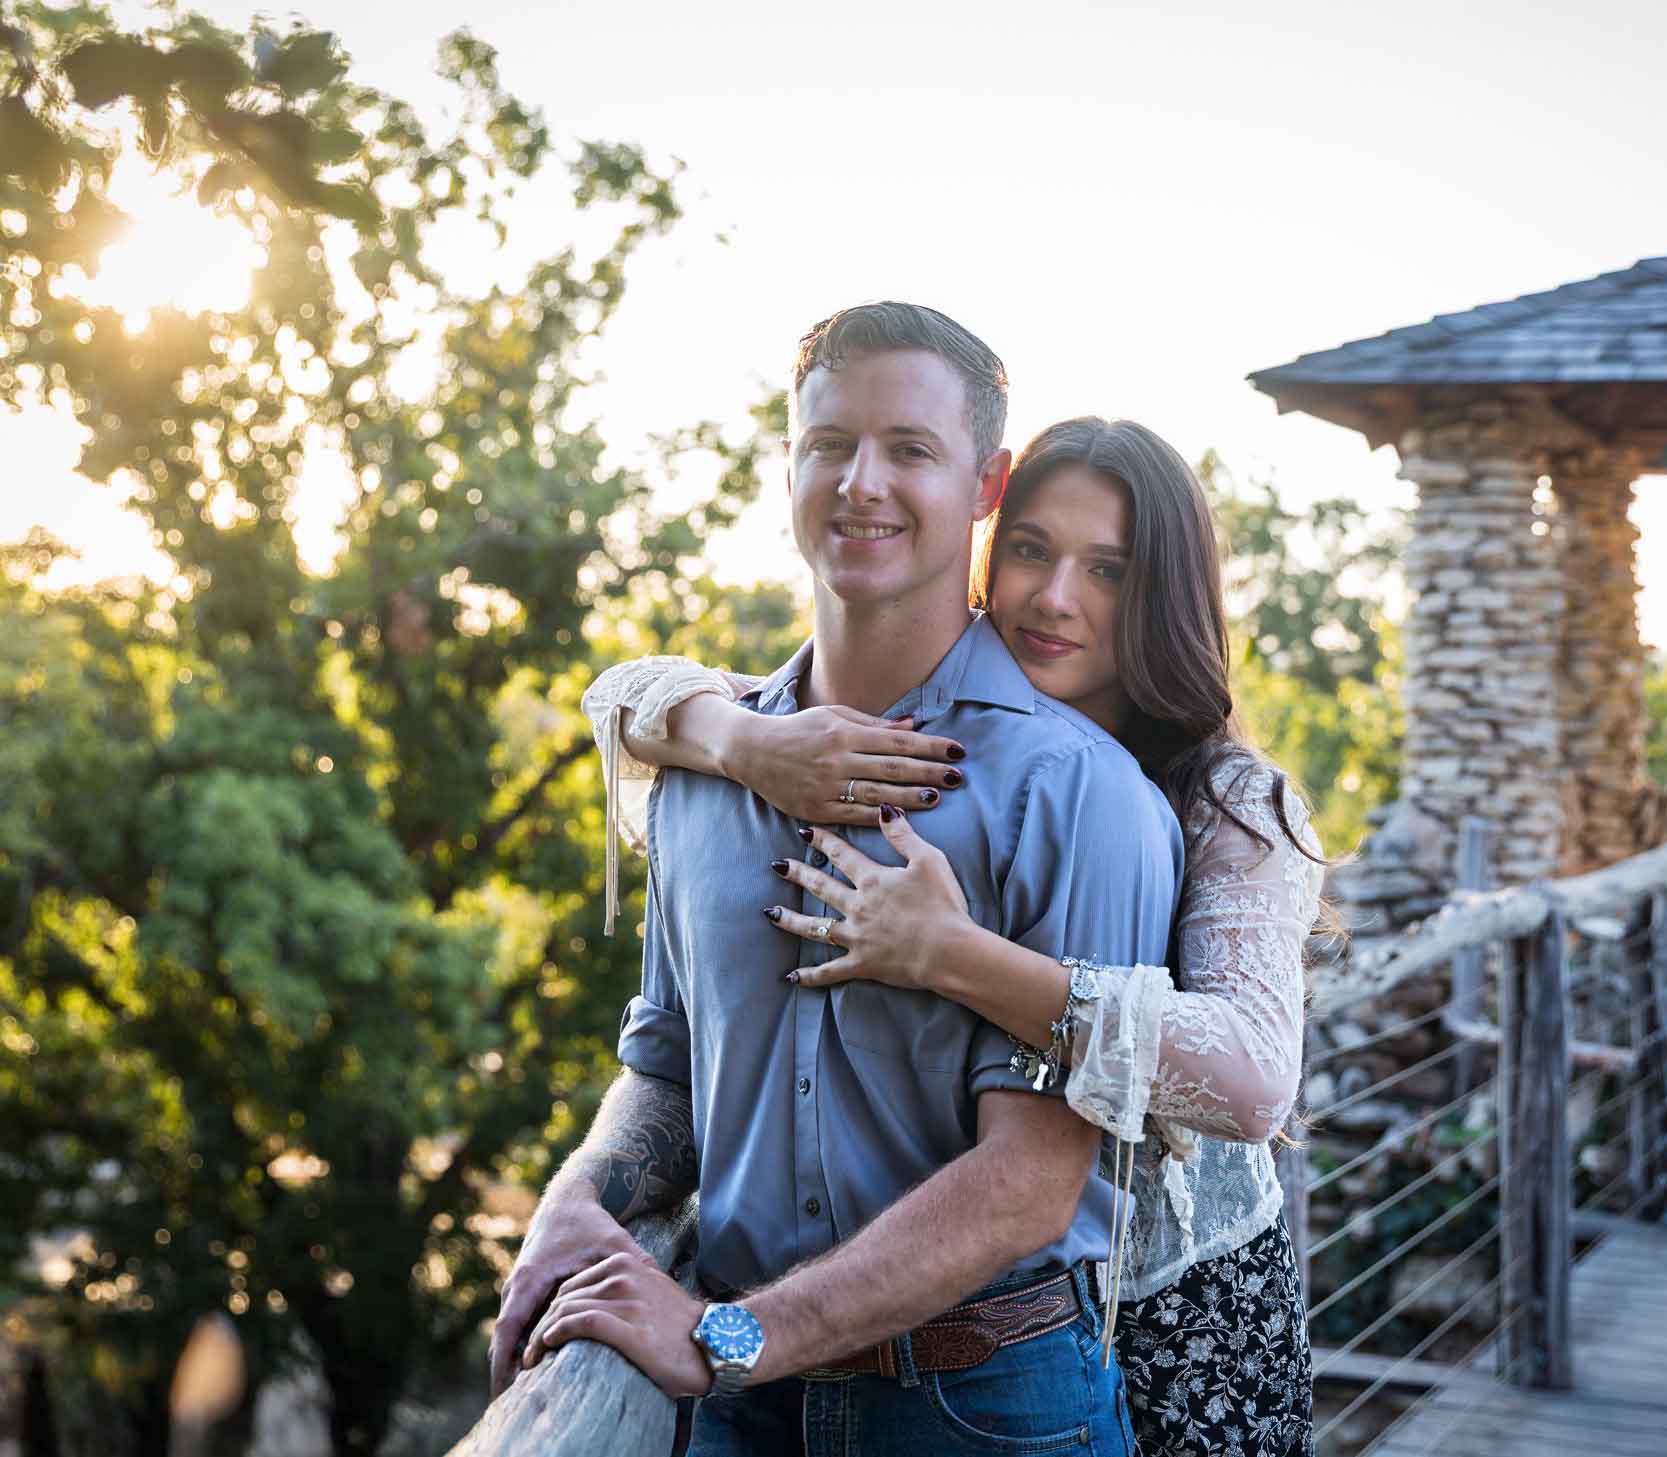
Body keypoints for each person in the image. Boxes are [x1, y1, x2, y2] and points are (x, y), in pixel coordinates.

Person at [490, 302, 1181, 1457]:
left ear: (983, 484)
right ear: (789, 461)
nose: (861, 482)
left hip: (983, 1411)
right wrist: (579, 1197)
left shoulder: (1078, 794)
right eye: (829, 445)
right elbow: (664, 1062)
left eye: (909, 448)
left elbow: (1024, 1184)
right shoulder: (701, 774)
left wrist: (728, 1335)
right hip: (732, 1412)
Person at [593, 416, 1326, 1456]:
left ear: (1161, 593)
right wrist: (741, 736)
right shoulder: (951, 745)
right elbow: (619, 693)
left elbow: (1251, 1079)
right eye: (1029, 549)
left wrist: (955, 953)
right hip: (926, 1320)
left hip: (1173, 1310)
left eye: (1107, 569)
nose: (1052, 596)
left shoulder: (1228, 800)